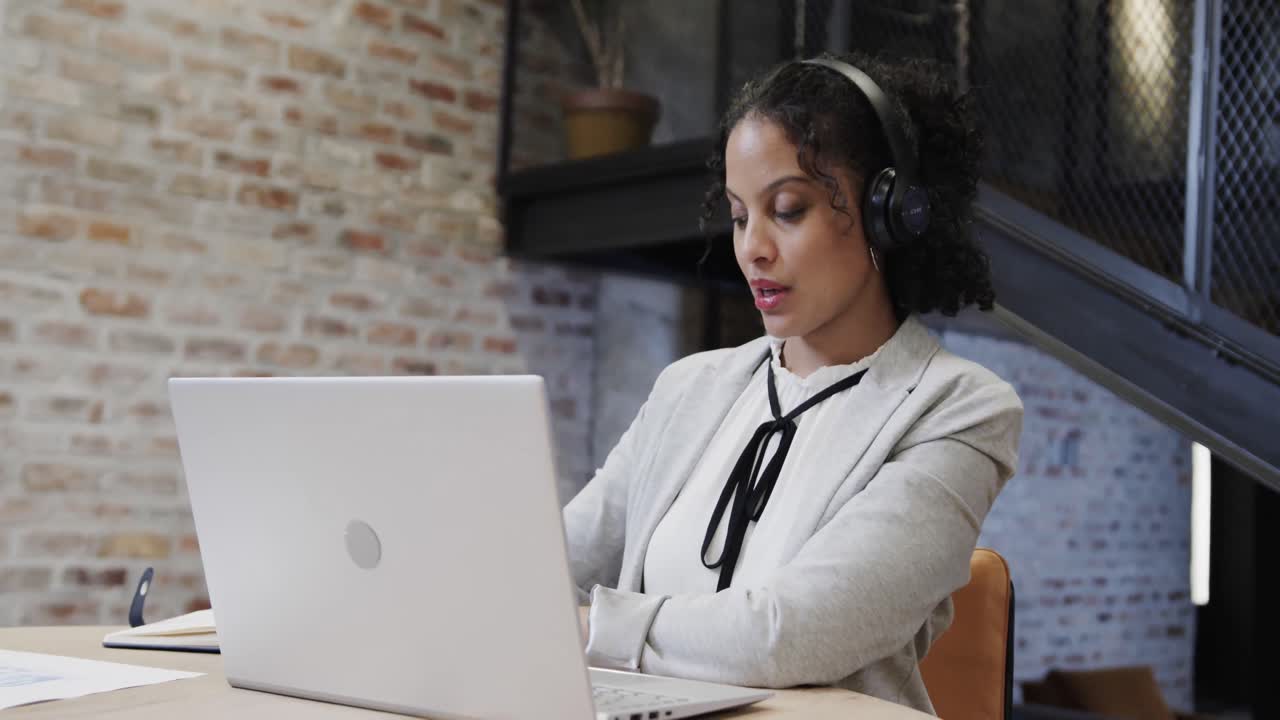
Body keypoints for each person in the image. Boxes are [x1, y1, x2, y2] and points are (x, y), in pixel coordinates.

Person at [562, 51, 1024, 715]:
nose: (752, 248)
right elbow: (553, 564)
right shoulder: (688, 389)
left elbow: (790, 635)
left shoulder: (960, 409)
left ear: (887, 212)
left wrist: (587, 628)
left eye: (787, 209)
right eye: (740, 215)